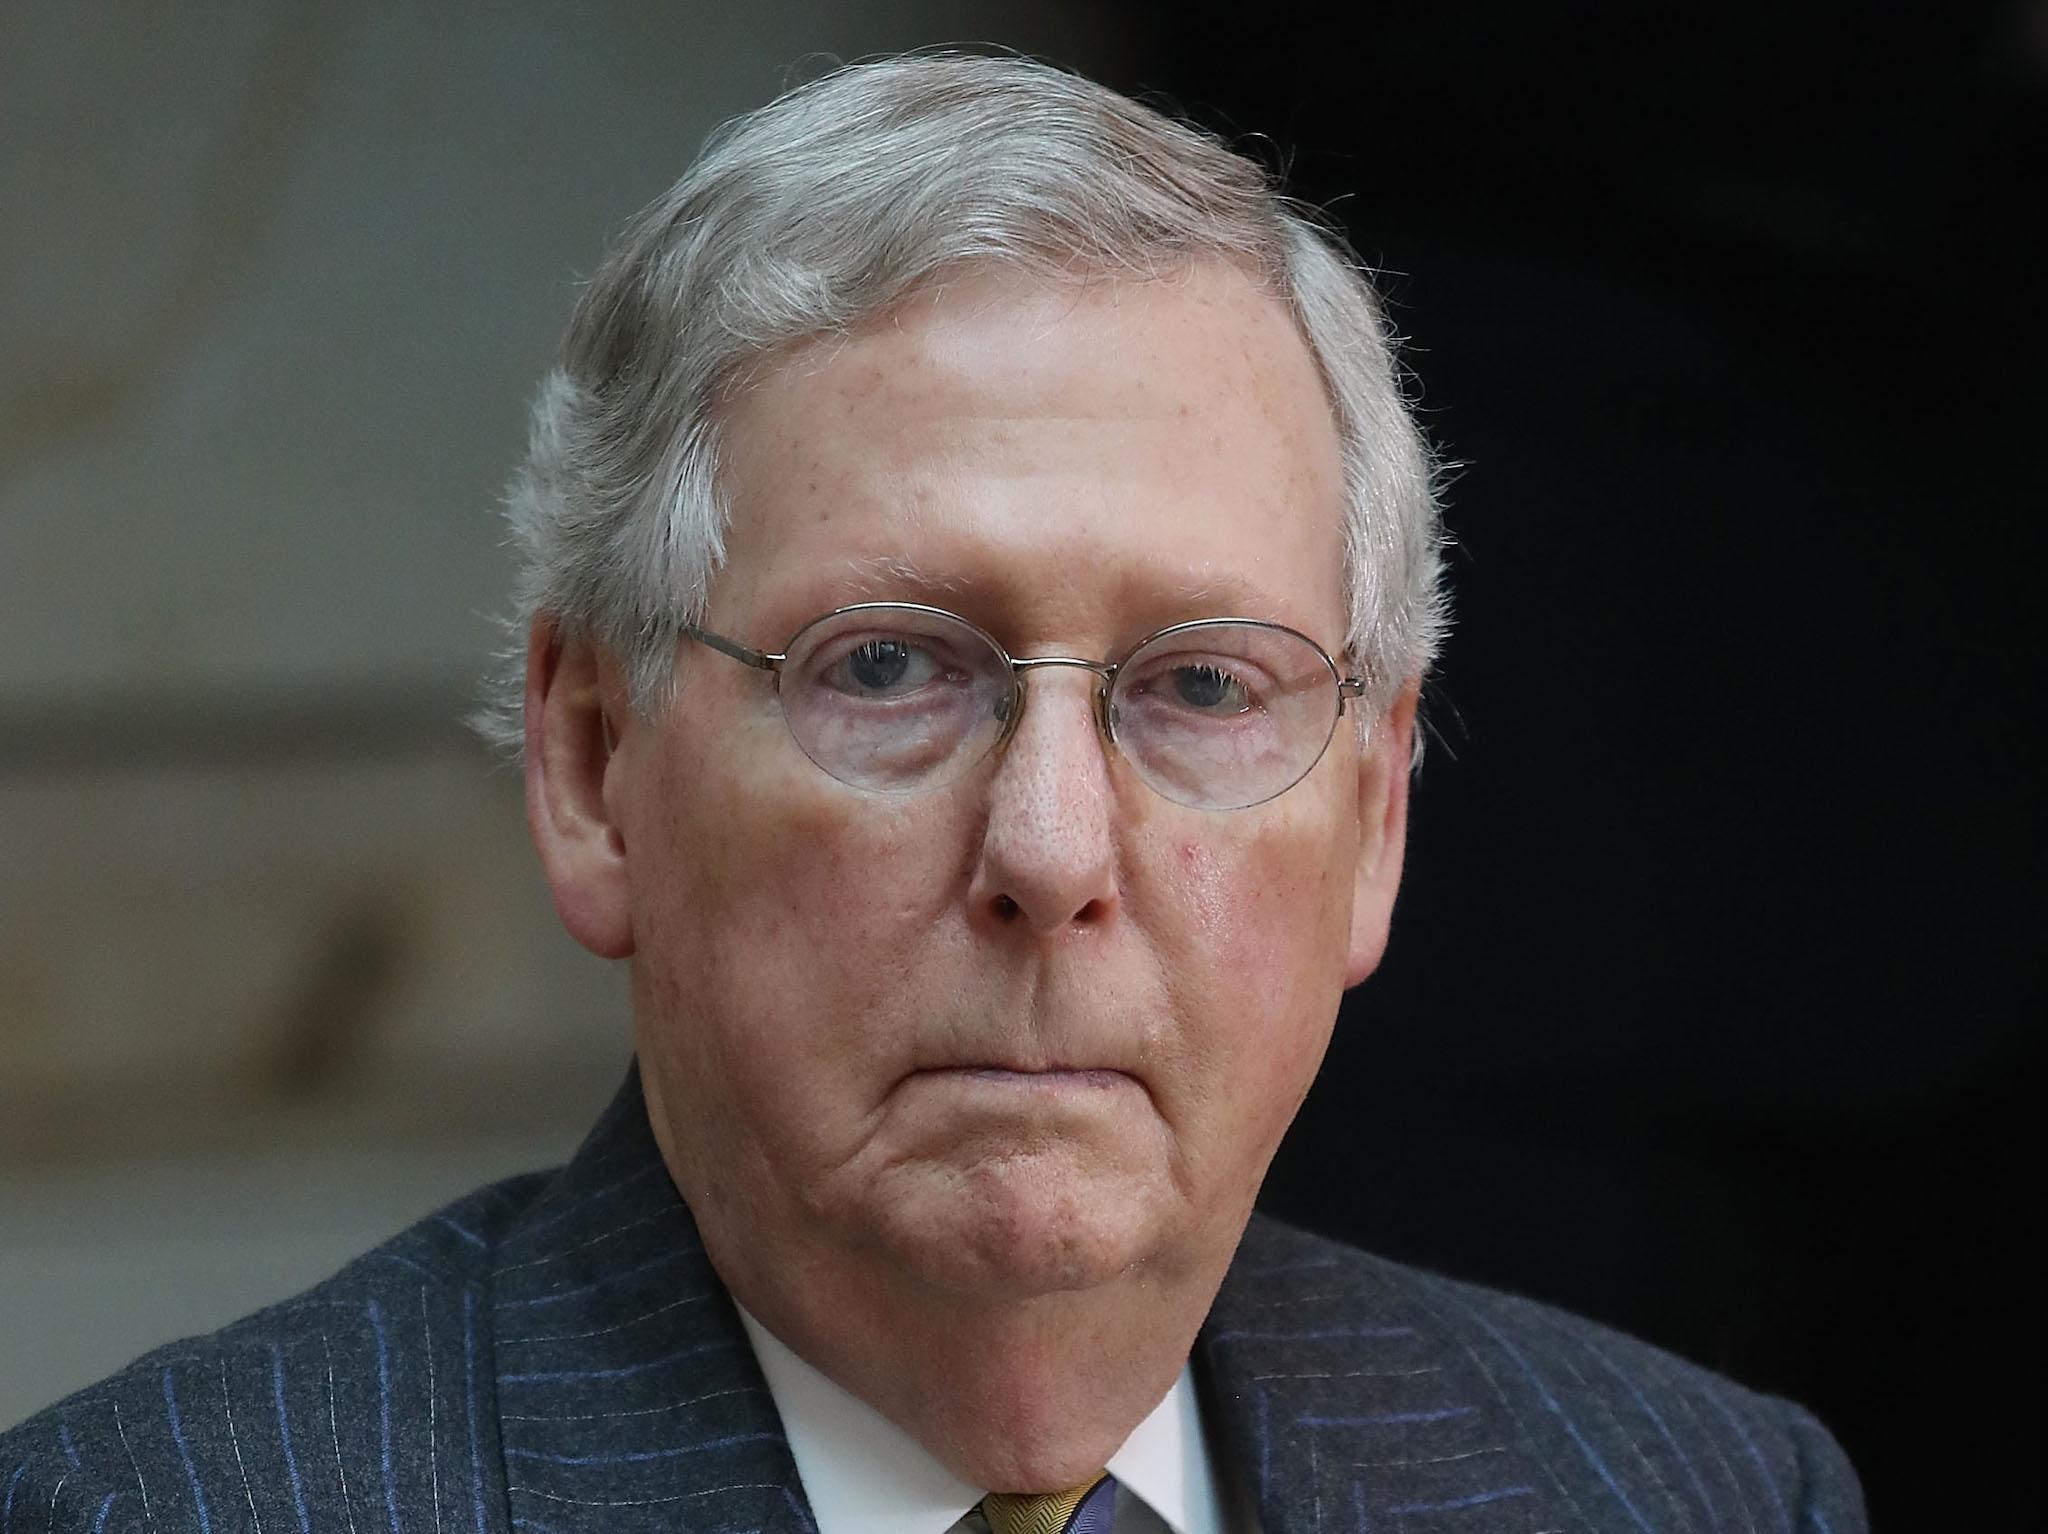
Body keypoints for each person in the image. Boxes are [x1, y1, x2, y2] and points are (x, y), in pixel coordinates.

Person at [1, 51, 1863, 1534]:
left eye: (1205, 684)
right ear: (589, 764)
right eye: (887, 666)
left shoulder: (1696, 1496)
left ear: (1376, 815)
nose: (1053, 849)